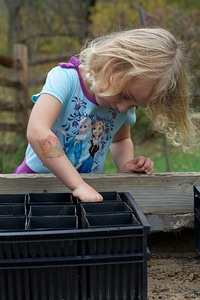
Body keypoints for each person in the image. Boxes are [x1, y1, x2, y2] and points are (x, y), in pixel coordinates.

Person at [14, 27, 198, 202]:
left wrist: (126, 164)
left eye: (135, 104)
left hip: (88, 188)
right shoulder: (65, 79)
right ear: (114, 65)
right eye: (126, 96)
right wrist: (77, 183)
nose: (123, 109)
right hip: (34, 183)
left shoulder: (120, 104)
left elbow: (120, 140)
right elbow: (38, 131)